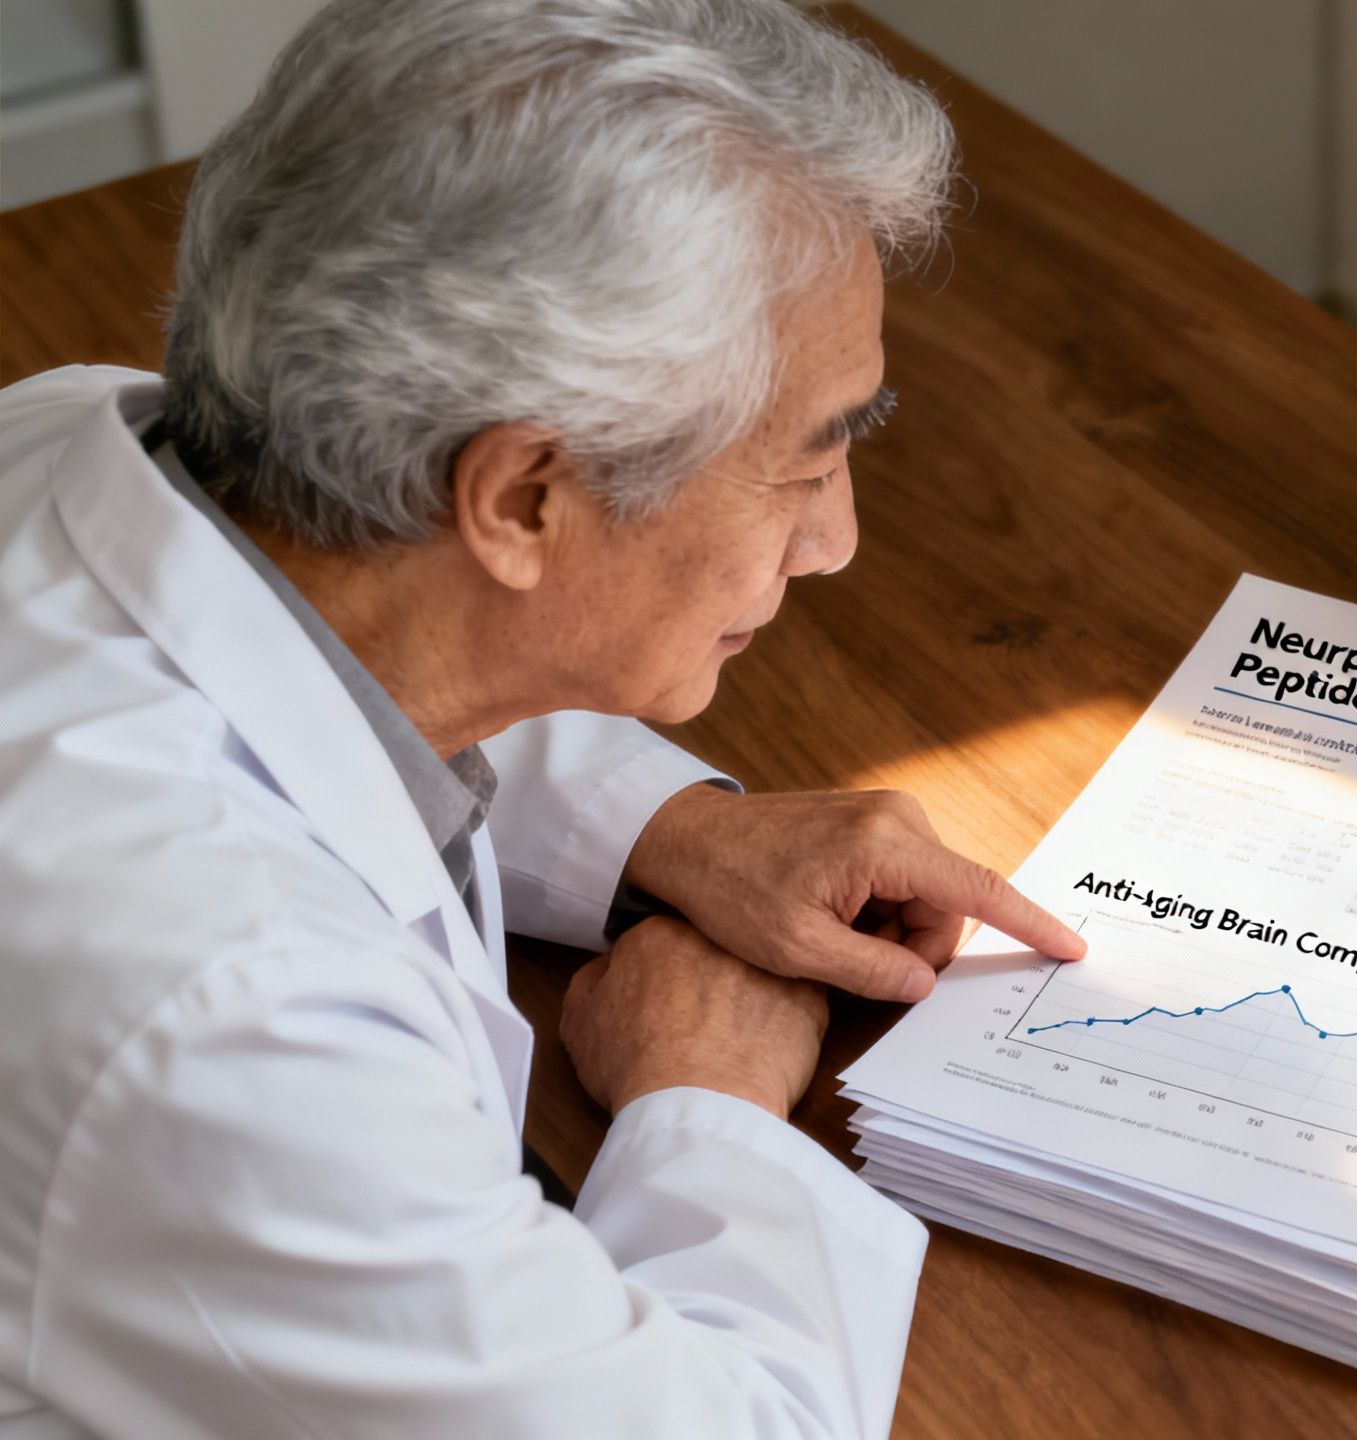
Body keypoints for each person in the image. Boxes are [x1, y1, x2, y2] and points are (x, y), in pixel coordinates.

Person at [0, 1, 1088, 1435]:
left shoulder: (69, 429)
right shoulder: (237, 1032)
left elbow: (356, 643)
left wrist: (680, 830)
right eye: (807, 463)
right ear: (524, 496)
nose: (832, 543)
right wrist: (703, 1104)